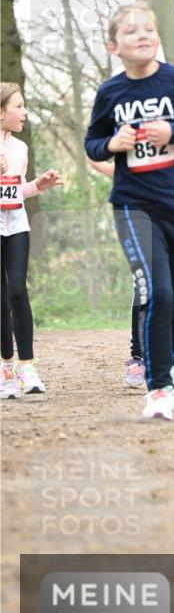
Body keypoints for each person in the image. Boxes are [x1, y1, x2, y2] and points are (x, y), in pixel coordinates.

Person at [84, 2, 174, 420]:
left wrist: (173, 131)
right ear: (114, 46)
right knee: (154, 290)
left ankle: (170, 363)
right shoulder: (111, 93)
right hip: (132, 203)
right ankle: (158, 386)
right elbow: (92, 142)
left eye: (148, 29)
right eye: (130, 32)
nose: (141, 36)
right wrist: (112, 145)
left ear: (157, 37)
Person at [1, 82, 62, 398]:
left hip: (17, 226)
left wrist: (39, 184)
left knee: (17, 292)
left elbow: (17, 190)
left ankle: (28, 368)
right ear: (1, 112)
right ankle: (6, 370)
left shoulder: (20, 149)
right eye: (18, 106)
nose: (24, 112)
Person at [87, 156, 145, 388]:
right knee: (142, 287)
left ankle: (166, 356)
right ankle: (138, 359)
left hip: (171, 222)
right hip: (139, 227)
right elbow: (96, 157)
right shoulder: (129, 163)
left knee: (167, 290)